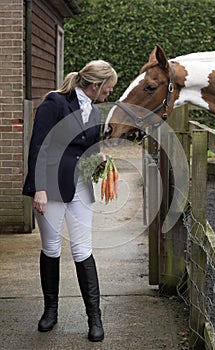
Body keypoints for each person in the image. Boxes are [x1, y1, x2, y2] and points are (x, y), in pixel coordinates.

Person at [23, 60, 118, 342]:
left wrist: (99, 160)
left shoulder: (95, 111)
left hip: (80, 189)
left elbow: (89, 148)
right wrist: (39, 188)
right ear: (95, 85)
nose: (110, 92)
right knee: (51, 248)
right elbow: (38, 145)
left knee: (83, 249)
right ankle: (50, 311)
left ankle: (94, 317)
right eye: (108, 87)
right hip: (50, 187)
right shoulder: (55, 103)